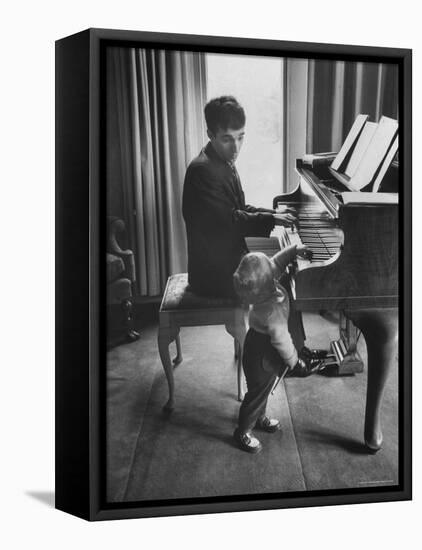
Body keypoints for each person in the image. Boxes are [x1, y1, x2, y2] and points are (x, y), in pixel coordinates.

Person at [182, 95, 297, 299]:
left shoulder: (220, 161)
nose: (236, 147)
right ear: (210, 134)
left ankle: (274, 331)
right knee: (284, 283)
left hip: (226, 263)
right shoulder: (202, 171)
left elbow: (239, 208)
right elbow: (229, 221)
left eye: (240, 137)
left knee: (286, 274)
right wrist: (272, 219)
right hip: (214, 276)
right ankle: (271, 332)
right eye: (227, 139)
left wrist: (274, 213)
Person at [232, 246, 324, 454]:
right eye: (269, 266)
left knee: (263, 389)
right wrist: (295, 362)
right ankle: (243, 431)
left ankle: (259, 417)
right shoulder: (270, 313)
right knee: (256, 394)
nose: (273, 266)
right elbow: (282, 341)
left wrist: (293, 251)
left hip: (258, 347)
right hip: (262, 355)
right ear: (265, 283)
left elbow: (277, 263)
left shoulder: (263, 286)